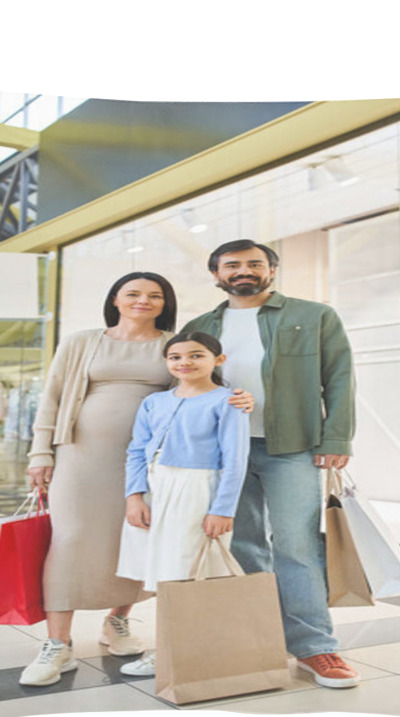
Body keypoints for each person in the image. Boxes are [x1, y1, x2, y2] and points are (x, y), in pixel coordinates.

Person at [20, 274, 252, 687]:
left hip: (152, 465)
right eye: (133, 293)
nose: (144, 300)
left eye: (155, 295)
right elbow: (52, 396)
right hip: (80, 457)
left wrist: (238, 396)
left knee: (137, 539)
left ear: (166, 303)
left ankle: (118, 622)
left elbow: (197, 382)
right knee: (69, 539)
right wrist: (40, 452)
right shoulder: (81, 341)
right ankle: (58, 644)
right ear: (115, 299)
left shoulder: (172, 344)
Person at [180, 240, 360, 689]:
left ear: (272, 270)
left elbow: (339, 376)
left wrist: (336, 437)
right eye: (232, 265)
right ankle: (258, 638)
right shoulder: (200, 325)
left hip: (292, 446)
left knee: (297, 547)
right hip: (222, 452)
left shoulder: (315, 316)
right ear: (216, 275)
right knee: (241, 547)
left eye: (254, 264)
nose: (244, 271)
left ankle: (316, 646)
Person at [114, 332, 250, 676]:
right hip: (154, 490)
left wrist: (223, 508)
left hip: (196, 489)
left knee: (185, 572)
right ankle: (175, 647)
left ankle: (177, 652)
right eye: (175, 357)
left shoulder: (228, 402)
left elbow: (236, 459)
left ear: (217, 360)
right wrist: (134, 497)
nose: (184, 362)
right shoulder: (154, 403)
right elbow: (135, 450)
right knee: (162, 572)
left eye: (195, 355)